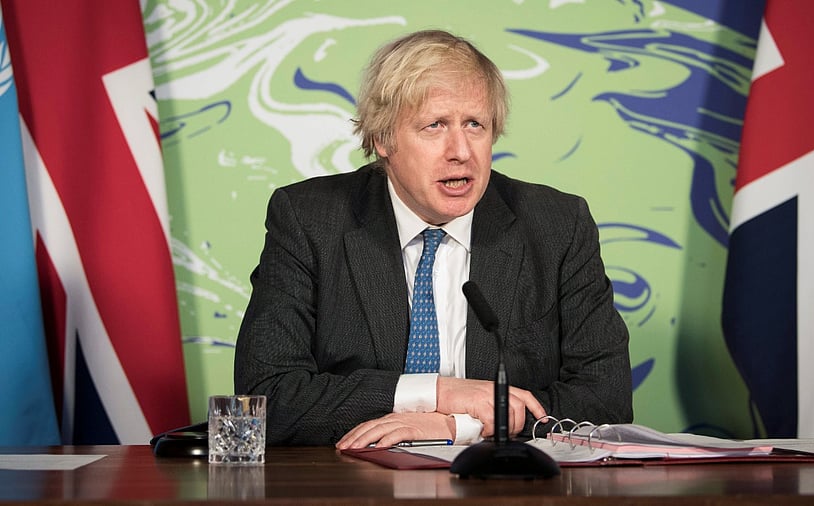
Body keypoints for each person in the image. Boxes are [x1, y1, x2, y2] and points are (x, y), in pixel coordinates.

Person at [234, 29, 633, 448]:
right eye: (435, 125)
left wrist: (461, 426)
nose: (461, 150)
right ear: (383, 139)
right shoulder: (311, 219)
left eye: (475, 124)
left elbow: (606, 399)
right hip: (355, 478)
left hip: (503, 478)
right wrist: (439, 393)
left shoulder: (556, 226)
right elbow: (266, 397)